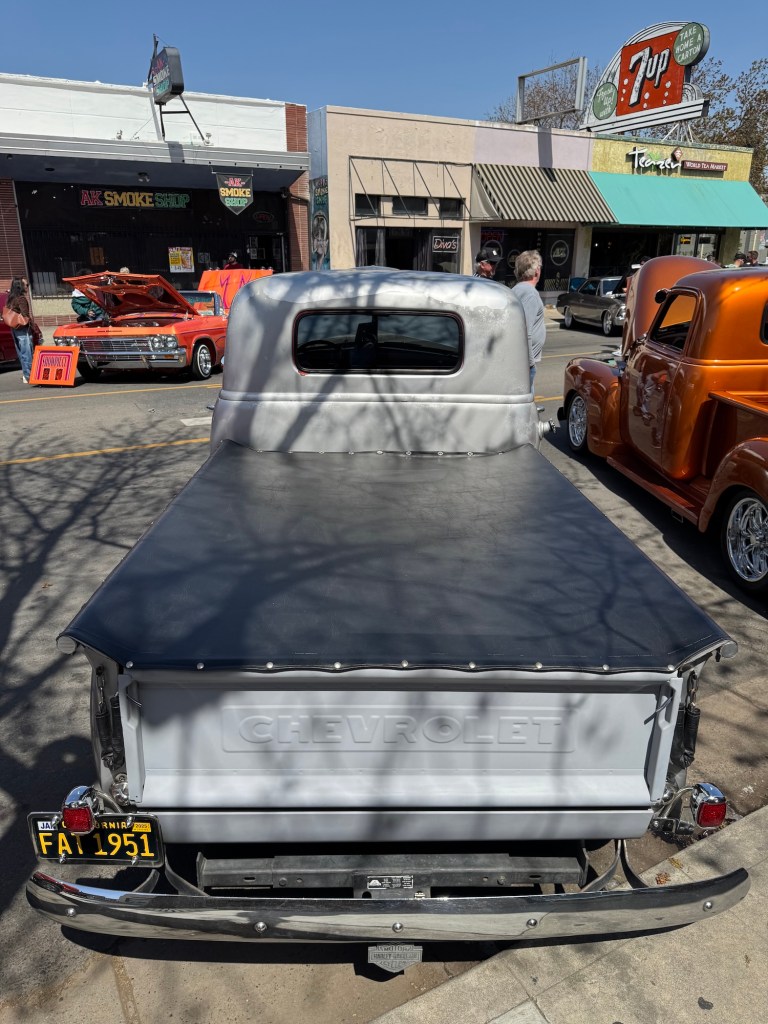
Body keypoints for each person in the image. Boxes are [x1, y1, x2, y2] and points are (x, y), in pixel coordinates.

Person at [511, 250, 546, 390]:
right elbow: (524, 332)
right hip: (524, 364)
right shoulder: (530, 294)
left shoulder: (516, 290)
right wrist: (530, 364)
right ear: (537, 271)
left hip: (518, 362)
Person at [5, 276, 35, 384]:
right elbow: (25, 315)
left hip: (14, 328)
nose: (27, 286)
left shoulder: (11, 298)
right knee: (27, 352)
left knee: (21, 353)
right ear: (20, 286)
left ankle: (26, 375)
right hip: (23, 328)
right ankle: (30, 376)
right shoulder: (21, 298)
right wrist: (32, 326)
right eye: (26, 285)